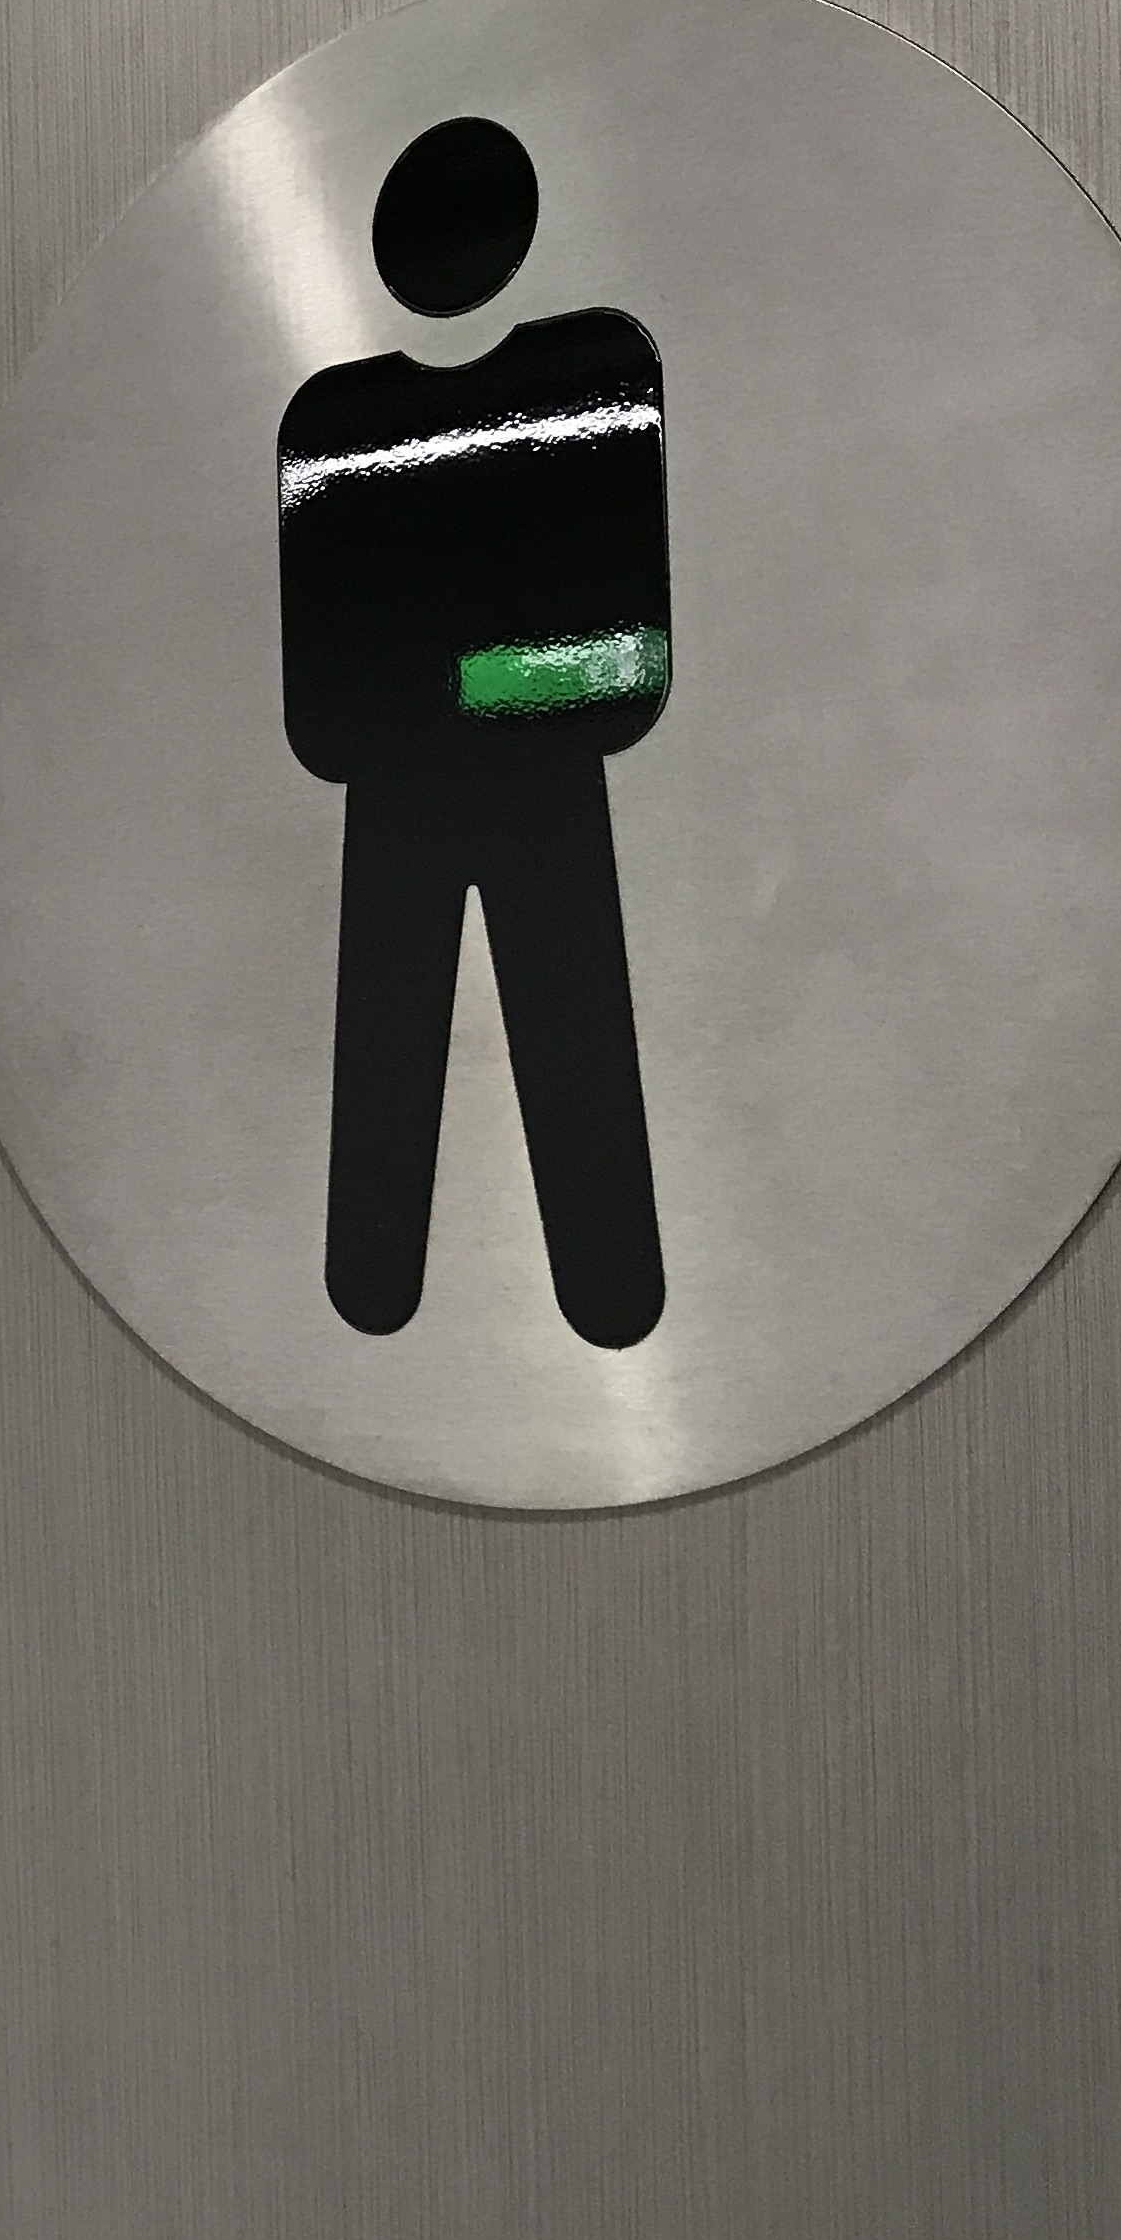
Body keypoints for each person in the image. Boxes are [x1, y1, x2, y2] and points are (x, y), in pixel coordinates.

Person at [275, 115, 670, 1352]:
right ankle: (391, 1296)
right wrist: (490, 682)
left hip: (466, 787)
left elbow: (626, 665)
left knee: (559, 1044)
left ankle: (601, 1305)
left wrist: (438, 687)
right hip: (471, 788)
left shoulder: (590, 374)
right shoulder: (336, 419)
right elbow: (321, 708)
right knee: (403, 1057)